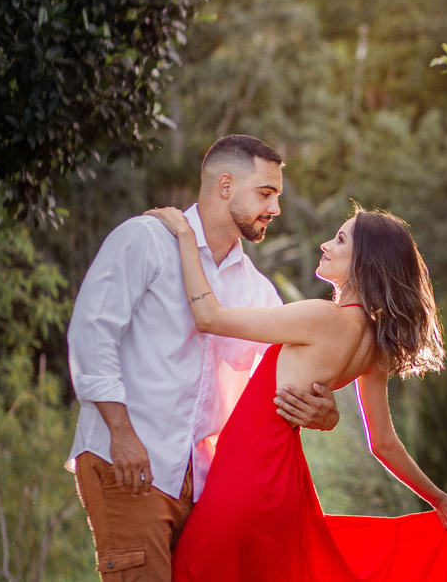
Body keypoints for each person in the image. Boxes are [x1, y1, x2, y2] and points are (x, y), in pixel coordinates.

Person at [143, 204, 447, 581]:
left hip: (248, 480)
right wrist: (439, 499)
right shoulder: (377, 345)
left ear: (366, 260)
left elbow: (210, 318)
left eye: (341, 238)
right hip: (283, 488)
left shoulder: (324, 317)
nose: (325, 244)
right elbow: (383, 443)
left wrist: (186, 236)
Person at [66, 136, 341, 582]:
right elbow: (90, 335)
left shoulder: (256, 290)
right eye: (265, 194)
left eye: (277, 197)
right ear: (226, 185)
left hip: (203, 485)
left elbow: (279, 376)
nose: (274, 209)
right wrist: (122, 433)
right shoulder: (145, 240)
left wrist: (323, 411)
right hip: (129, 463)